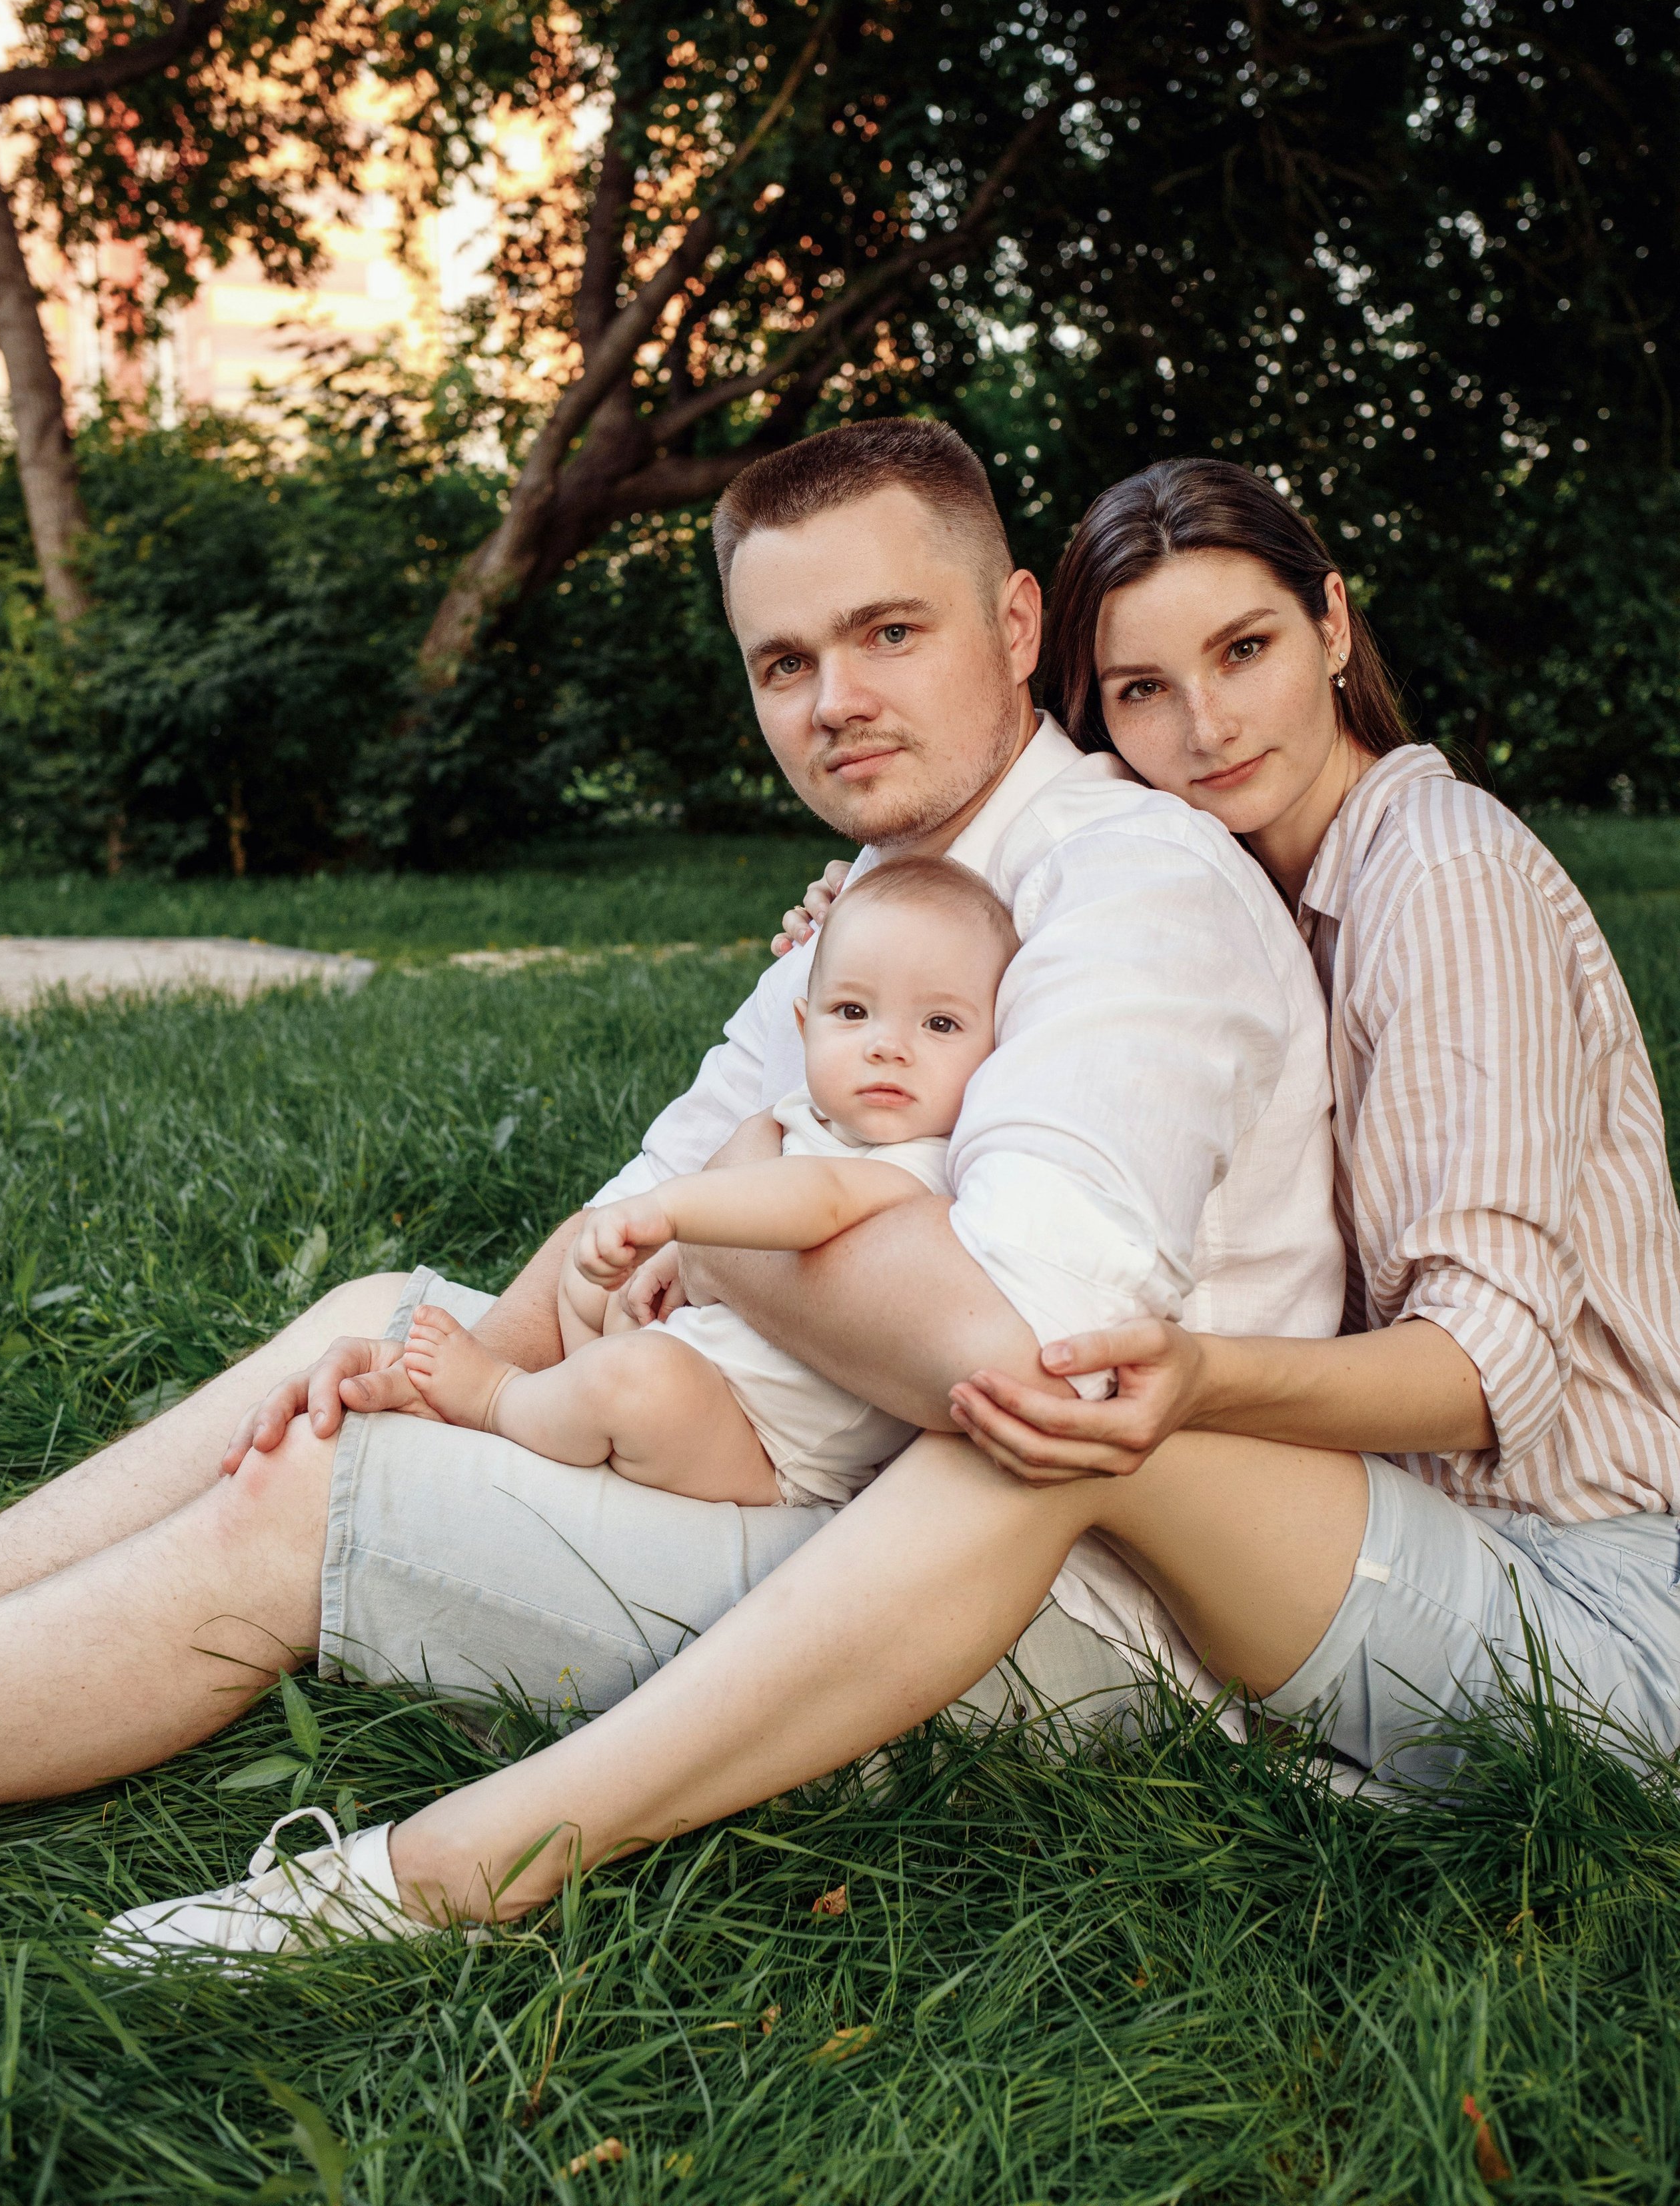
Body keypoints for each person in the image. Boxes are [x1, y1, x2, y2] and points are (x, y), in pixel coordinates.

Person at [91, 447, 1680, 1959]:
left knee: (1070, 1404)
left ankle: (462, 1863)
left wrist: (1194, 1375)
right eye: (1139, 689)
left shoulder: (1434, 863)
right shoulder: (1239, 870)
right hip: (1361, 1552)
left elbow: (1488, 1371)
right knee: (1061, 1393)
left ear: (1332, 622)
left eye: (1246, 647)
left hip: (1578, 1592)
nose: (1200, 724)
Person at [393, 856, 1022, 1510]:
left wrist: (672, 1214)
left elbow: (810, 1201)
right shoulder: (806, 1114)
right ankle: (572, 1399)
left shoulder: (927, 1165)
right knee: (591, 1283)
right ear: (806, 1027)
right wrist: (666, 1258)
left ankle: (499, 1400)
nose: (887, 1046)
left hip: (764, 1449)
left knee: (635, 1380)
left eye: (940, 1024)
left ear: (998, 1049)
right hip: (701, 1365)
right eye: (854, 1010)